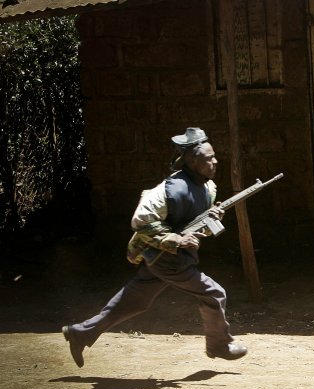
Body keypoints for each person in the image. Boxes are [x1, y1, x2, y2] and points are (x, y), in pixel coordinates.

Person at [62, 127, 248, 367]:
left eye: (214, 156)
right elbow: (141, 222)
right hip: (168, 259)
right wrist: (175, 240)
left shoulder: (207, 187)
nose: (215, 161)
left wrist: (212, 215)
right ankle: (218, 344)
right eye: (209, 158)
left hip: (170, 258)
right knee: (213, 293)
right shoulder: (168, 190)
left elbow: (193, 221)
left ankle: (80, 333)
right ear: (192, 160)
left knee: (134, 301)